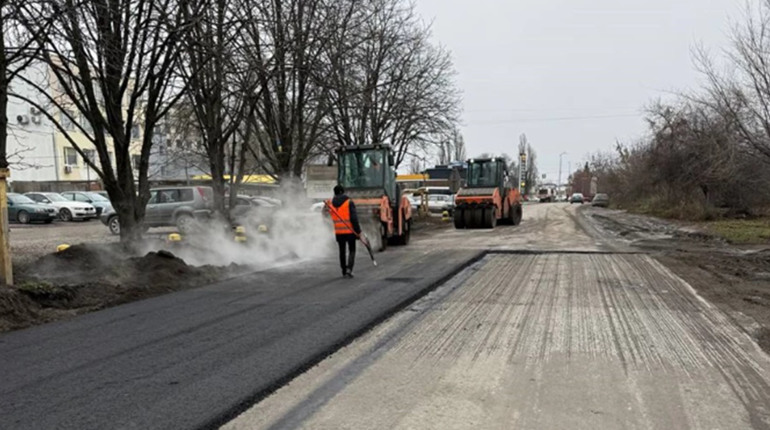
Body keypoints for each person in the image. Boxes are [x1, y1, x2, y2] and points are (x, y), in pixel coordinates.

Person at [329, 184, 362, 278]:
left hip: (339, 232)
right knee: (352, 250)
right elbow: (354, 218)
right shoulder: (349, 202)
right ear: (343, 192)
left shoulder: (331, 204)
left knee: (342, 251)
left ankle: (343, 270)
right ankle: (349, 269)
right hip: (350, 231)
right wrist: (358, 231)